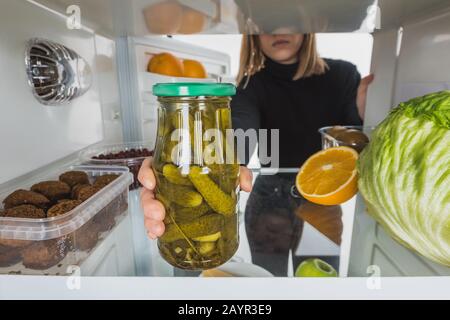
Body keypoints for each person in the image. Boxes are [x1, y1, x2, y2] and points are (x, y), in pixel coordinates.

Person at [138, 33, 373, 276]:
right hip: (270, 204)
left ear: (307, 27)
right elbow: (239, 129)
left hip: (321, 206)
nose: (278, 30)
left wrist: (369, 110)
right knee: (266, 285)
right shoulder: (250, 84)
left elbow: (353, 138)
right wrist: (178, 166)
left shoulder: (343, 76)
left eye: (288, 16)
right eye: (267, 22)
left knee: (319, 285)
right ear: (252, 34)